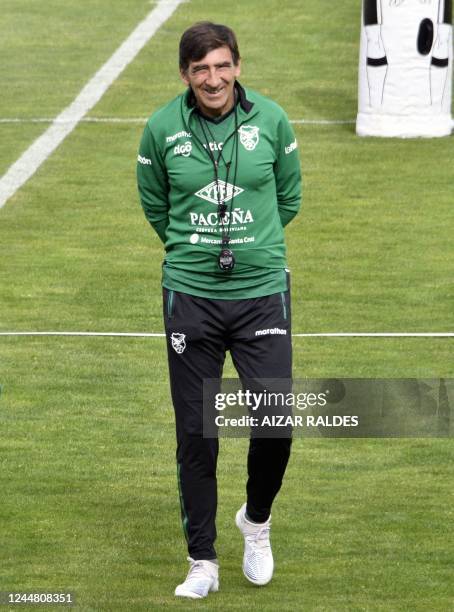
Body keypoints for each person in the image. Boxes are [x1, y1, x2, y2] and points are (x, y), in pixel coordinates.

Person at [137, 21, 302, 599]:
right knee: (196, 433)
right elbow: (156, 205)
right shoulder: (161, 128)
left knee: (275, 424)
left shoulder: (272, 121)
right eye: (201, 68)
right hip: (190, 297)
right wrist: (195, 249)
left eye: (222, 65)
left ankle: (255, 522)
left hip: (261, 293)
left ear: (238, 66)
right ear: (185, 74)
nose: (213, 78)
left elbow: (289, 196)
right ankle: (201, 560)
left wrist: (252, 246)